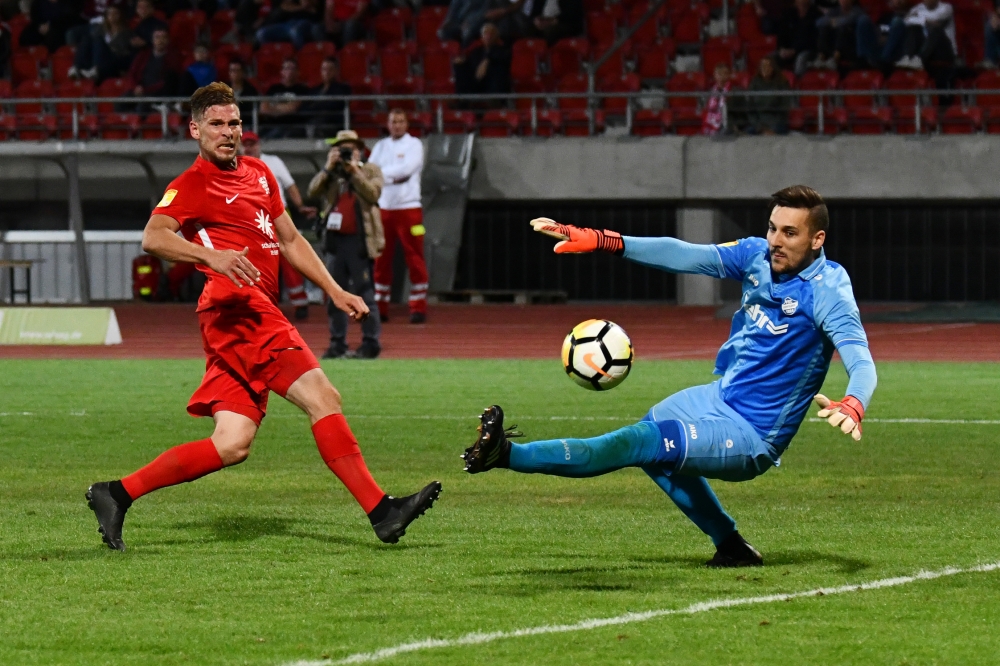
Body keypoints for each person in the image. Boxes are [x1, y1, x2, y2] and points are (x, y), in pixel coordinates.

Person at [85, 83, 440, 552]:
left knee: (232, 443)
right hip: (240, 312)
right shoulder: (191, 184)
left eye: (234, 123)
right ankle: (382, 511)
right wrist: (210, 258)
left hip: (248, 314)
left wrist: (333, 290)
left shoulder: (258, 174)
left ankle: (116, 493)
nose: (228, 132)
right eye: (216, 124)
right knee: (322, 396)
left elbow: (291, 240)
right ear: (195, 129)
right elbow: (153, 237)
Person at [462, 185, 877, 568]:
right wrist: (606, 241)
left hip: (754, 434)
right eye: (772, 228)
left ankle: (509, 455)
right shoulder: (756, 256)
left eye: (789, 233)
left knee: (642, 444)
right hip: (718, 398)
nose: (775, 241)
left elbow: (861, 359)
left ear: (817, 239)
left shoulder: (828, 291)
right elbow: (683, 253)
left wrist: (854, 401)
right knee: (654, 445)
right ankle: (731, 546)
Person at [308, 130, 385, 359]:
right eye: (341, 148)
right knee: (335, 295)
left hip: (360, 241)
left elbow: (373, 194)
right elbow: (312, 191)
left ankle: (371, 343)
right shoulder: (332, 174)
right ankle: (337, 343)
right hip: (335, 242)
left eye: (349, 149)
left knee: (365, 294)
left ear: (358, 150)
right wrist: (328, 168)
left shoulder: (370, 170)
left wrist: (355, 172)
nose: (345, 153)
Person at [241, 130, 318, 320]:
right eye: (246, 144)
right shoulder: (236, 164)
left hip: (278, 215)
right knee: (257, 262)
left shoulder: (273, 162)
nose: (250, 148)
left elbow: (290, 185)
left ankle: (300, 303)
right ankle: (262, 304)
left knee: (289, 259)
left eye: (253, 144)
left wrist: (300, 207)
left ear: (259, 145)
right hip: (252, 218)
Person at [368, 110, 428, 324]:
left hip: (409, 209)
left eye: (401, 121)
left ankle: (418, 307)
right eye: (394, 121)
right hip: (384, 208)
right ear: (388, 124)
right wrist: (389, 176)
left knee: (415, 257)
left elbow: (407, 170)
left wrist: (383, 175)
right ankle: (380, 306)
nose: (397, 125)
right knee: (381, 258)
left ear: (407, 123)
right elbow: (370, 170)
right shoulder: (380, 146)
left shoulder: (415, 145)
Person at [68, 5, 135, 82]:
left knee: (99, 40)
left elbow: (123, 51)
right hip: (99, 58)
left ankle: (96, 69)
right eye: (110, 13)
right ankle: (76, 67)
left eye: (115, 13)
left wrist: (108, 48)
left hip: (113, 60)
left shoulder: (127, 33)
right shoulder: (101, 29)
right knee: (87, 38)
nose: (112, 16)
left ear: (121, 15)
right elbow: (92, 41)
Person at [453, 22, 512, 99]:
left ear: (497, 36)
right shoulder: (477, 51)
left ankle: (494, 101)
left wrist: (487, 61)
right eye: (485, 33)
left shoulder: (503, 50)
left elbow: (502, 59)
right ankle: (462, 100)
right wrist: (462, 61)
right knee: (461, 67)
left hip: (493, 84)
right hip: (477, 82)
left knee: (498, 69)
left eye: (492, 33)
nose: (488, 36)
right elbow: (472, 64)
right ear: (482, 36)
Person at [126, 27, 181, 108]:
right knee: (121, 102)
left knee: (142, 106)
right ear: (152, 40)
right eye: (157, 37)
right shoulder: (143, 55)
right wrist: (135, 87)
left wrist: (145, 90)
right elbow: (132, 73)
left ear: (168, 40)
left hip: (157, 93)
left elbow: (166, 82)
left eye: (163, 37)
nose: (160, 40)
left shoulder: (173, 58)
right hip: (139, 90)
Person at [896, 0, 956, 73]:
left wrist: (918, 16)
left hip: (944, 49)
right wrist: (927, 21)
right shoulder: (918, 8)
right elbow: (906, 20)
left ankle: (920, 59)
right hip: (926, 49)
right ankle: (907, 57)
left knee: (936, 30)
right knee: (913, 28)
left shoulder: (946, 7)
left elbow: (937, 19)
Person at [261, 57, 311, 138]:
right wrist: (282, 109)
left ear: (298, 72)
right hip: (271, 125)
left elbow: (292, 108)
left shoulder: (302, 90)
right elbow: (263, 109)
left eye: (292, 68)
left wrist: (273, 108)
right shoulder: (273, 88)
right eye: (287, 68)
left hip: (291, 126)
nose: (289, 71)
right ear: (282, 71)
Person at [304, 56, 352, 137]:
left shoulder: (343, 88)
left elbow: (334, 105)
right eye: (324, 69)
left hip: (333, 124)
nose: (327, 72)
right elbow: (305, 107)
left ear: (336, 71)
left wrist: (316, 106)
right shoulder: (314, 90)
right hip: (313, 122)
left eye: (330, 69)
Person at [813, 0, 866, 70]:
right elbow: (818, 22)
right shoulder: (836, 11)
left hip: (851, 45)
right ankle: (821, 58)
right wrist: (832, 21)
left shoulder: (857, 11)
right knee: (824, 29)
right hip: (834, 43)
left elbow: (849, 20)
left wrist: (835, 22)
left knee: (843, 28)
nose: (843, 1)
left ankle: (835, 59)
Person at [745, 55, 791, 134]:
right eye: (763, 66)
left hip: (777, 123)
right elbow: (750, 110)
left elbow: (784, 109)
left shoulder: (781, 83)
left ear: (773, 68)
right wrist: (760, 128)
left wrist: (771, 129)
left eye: (768, 66)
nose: (765, 69)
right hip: (759, 123)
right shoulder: (754, 83)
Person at [256, 0, 324, 51]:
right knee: (261, 33)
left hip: (307, 22)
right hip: (287, 24)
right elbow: (284, 6)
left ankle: (299, 58)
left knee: (295, 31)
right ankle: (274, 57)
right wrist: (302, 7)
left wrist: (297, 6)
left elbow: (313, 5)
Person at [776, 0, 821, 75]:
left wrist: (795, 50)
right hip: (787, 50)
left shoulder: (816, 14)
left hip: (808, 50)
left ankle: (798, 84)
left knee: (801, 59)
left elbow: (813, 39)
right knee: (770, 59)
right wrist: (782, 48)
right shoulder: (787, 13)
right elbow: (781, 34)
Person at [701, 62, 731, 136]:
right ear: (715, 75)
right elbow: (707, 110)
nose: (721, 77)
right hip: (711, 125)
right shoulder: (711, 91)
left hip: (727, 125)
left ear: (728, 75)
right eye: (719, 74)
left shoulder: (733, 90)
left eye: (724, 74)